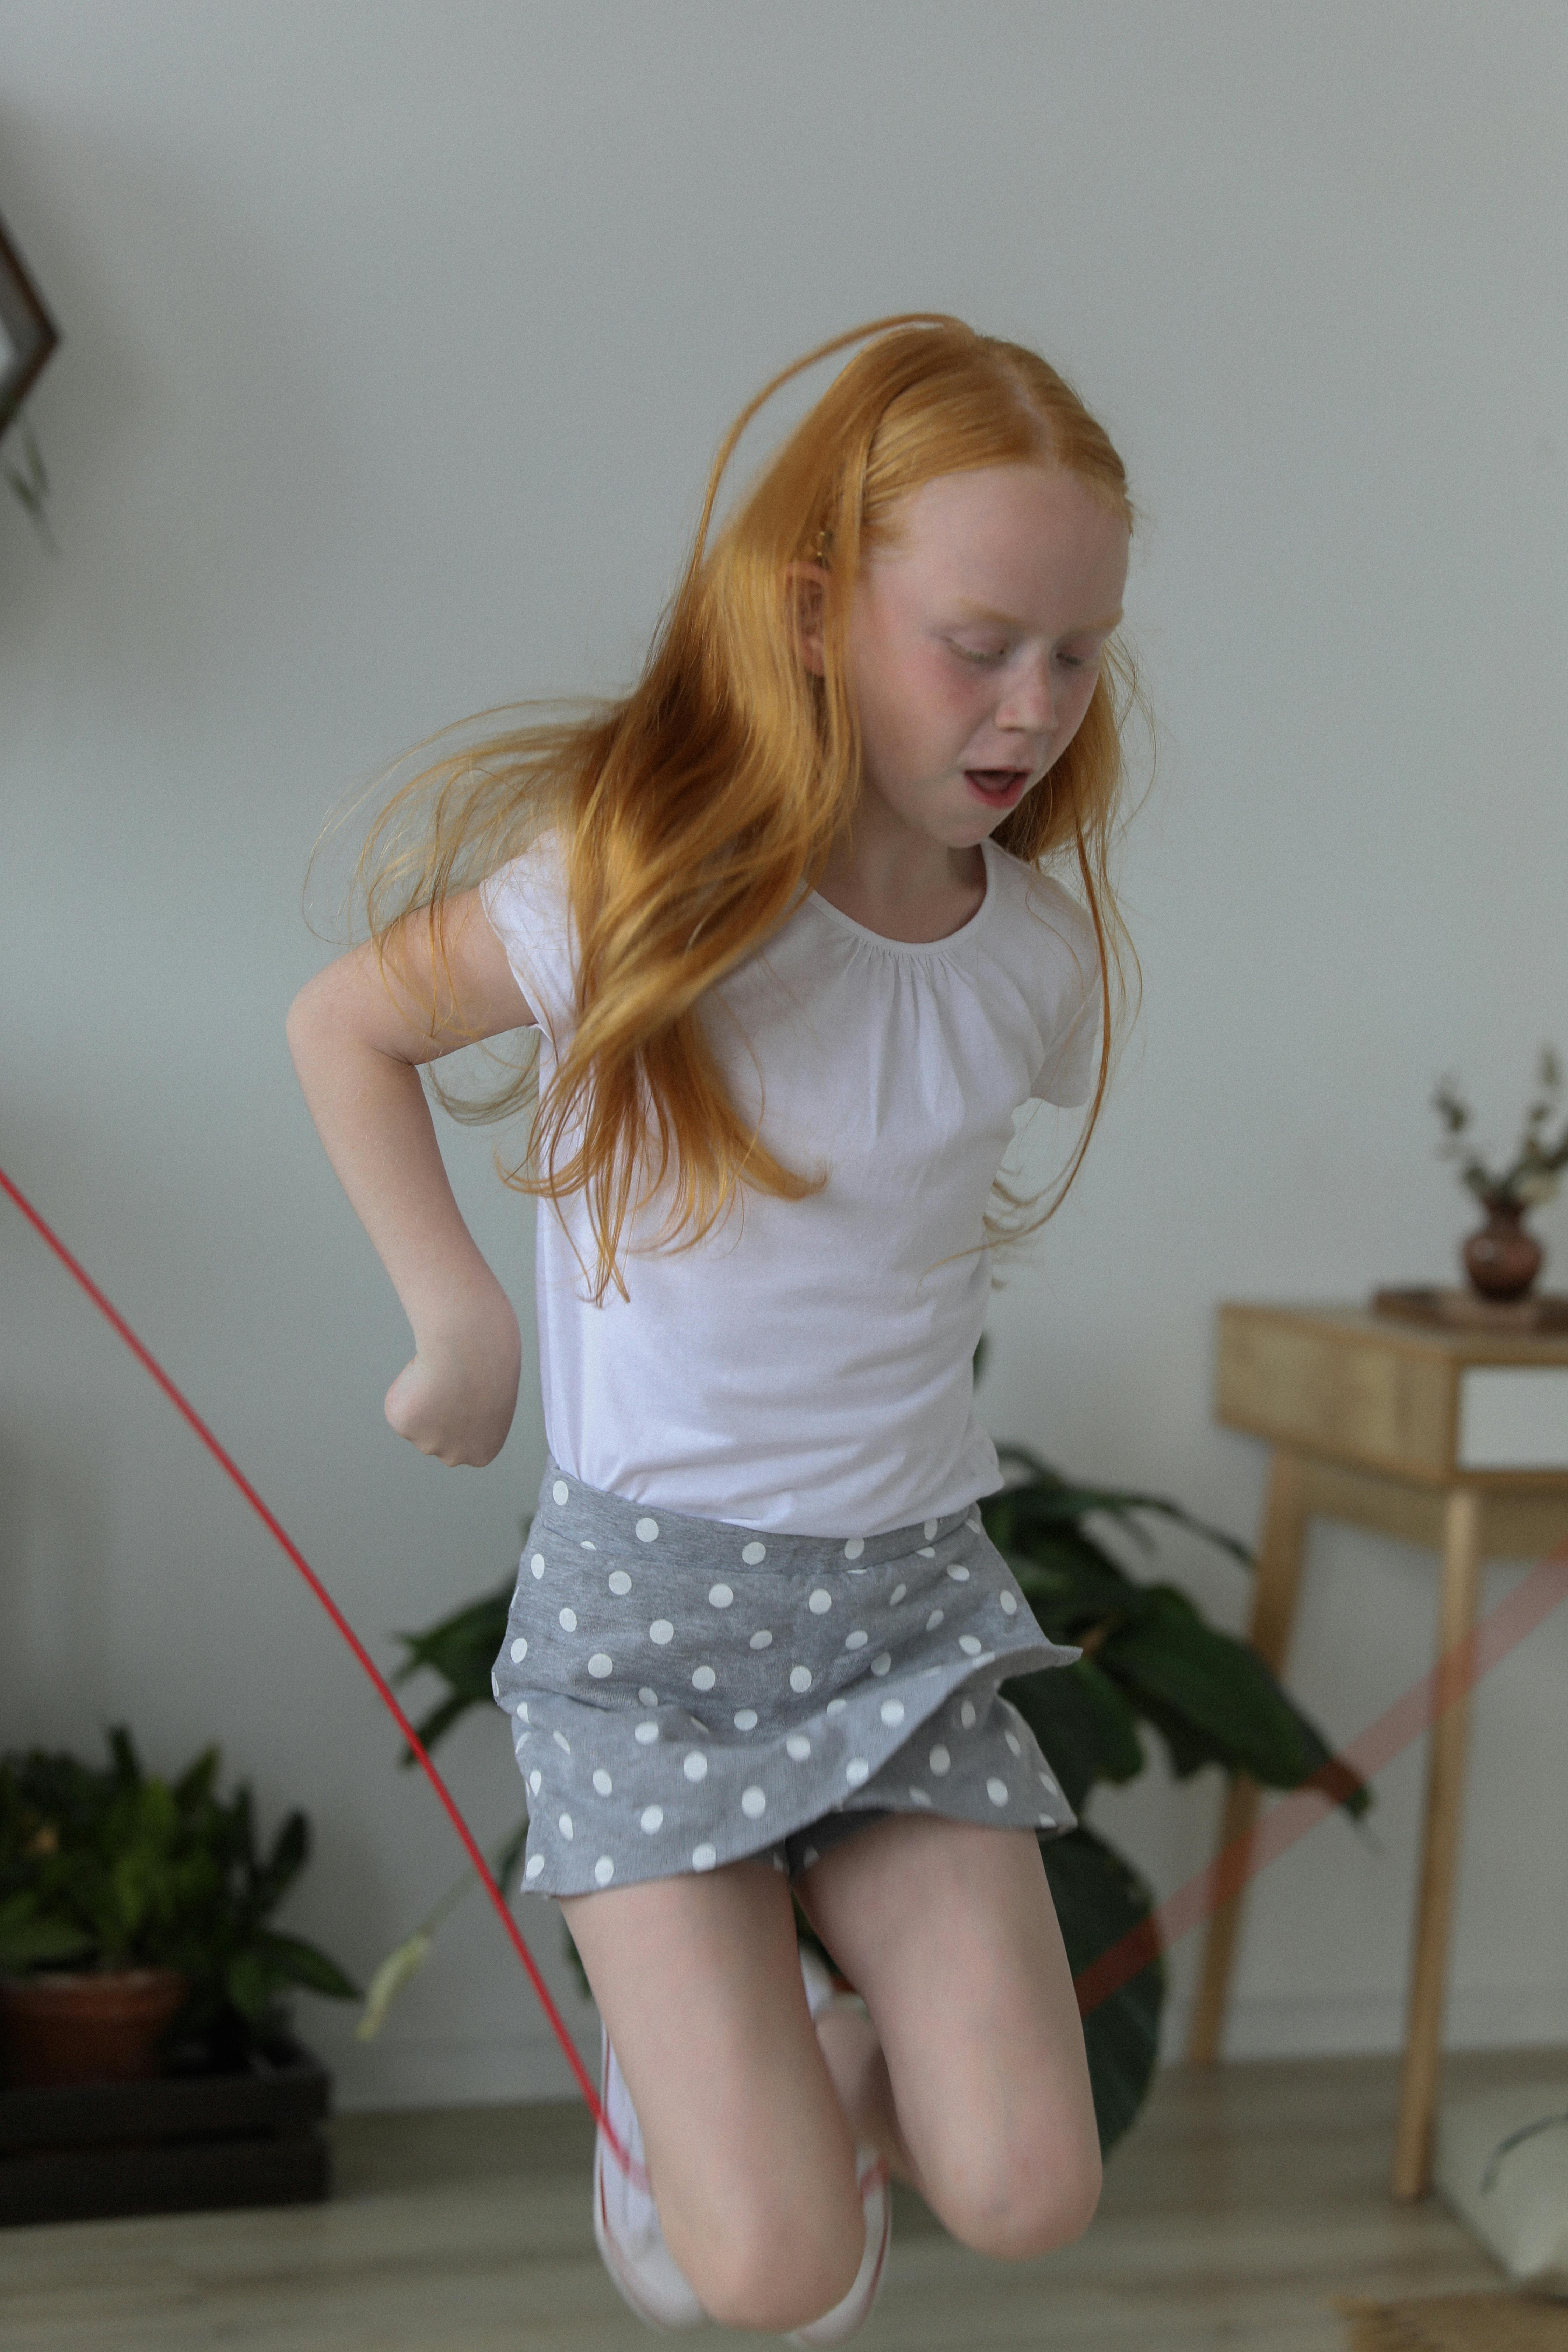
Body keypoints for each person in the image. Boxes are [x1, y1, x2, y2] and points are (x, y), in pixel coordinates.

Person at [287, 312, 1137, 2340]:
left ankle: (815, 2061)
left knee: (1027, 2193)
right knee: (769, 2273)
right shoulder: (635, 890)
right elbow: (350, 1021)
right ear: (821, 612)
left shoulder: (1028, 961)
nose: (1033, 705)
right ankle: (700, 2117)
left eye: (1081, 652)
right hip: (655, 1645)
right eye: (983, 639)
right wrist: (457, 1321)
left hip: (909, 1618)